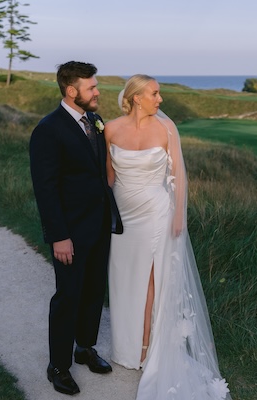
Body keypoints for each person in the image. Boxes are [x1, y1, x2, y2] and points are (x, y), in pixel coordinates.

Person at [105, 74, 231, 399]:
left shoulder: (166, 129)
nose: (160, 99)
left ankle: (148, 349)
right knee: (123, 278)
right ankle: (127, 348)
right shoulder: (111, 129)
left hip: (158, 213)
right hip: (123, 217)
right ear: (136, 97)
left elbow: (179, 176)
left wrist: (179, 216)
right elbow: (108, 177)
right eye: (155, 93)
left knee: (151, 279)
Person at [29, 61, 122, 396]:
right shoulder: (48, 129)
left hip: (98, 226)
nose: (98, 92)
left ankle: (84, 347)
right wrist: (59, 236)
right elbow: (46, 188)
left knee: (94, 290)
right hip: (69, 232)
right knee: (68, 296)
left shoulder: (94, 122)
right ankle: (58, 366)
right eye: (92, 87)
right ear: (72, 91)